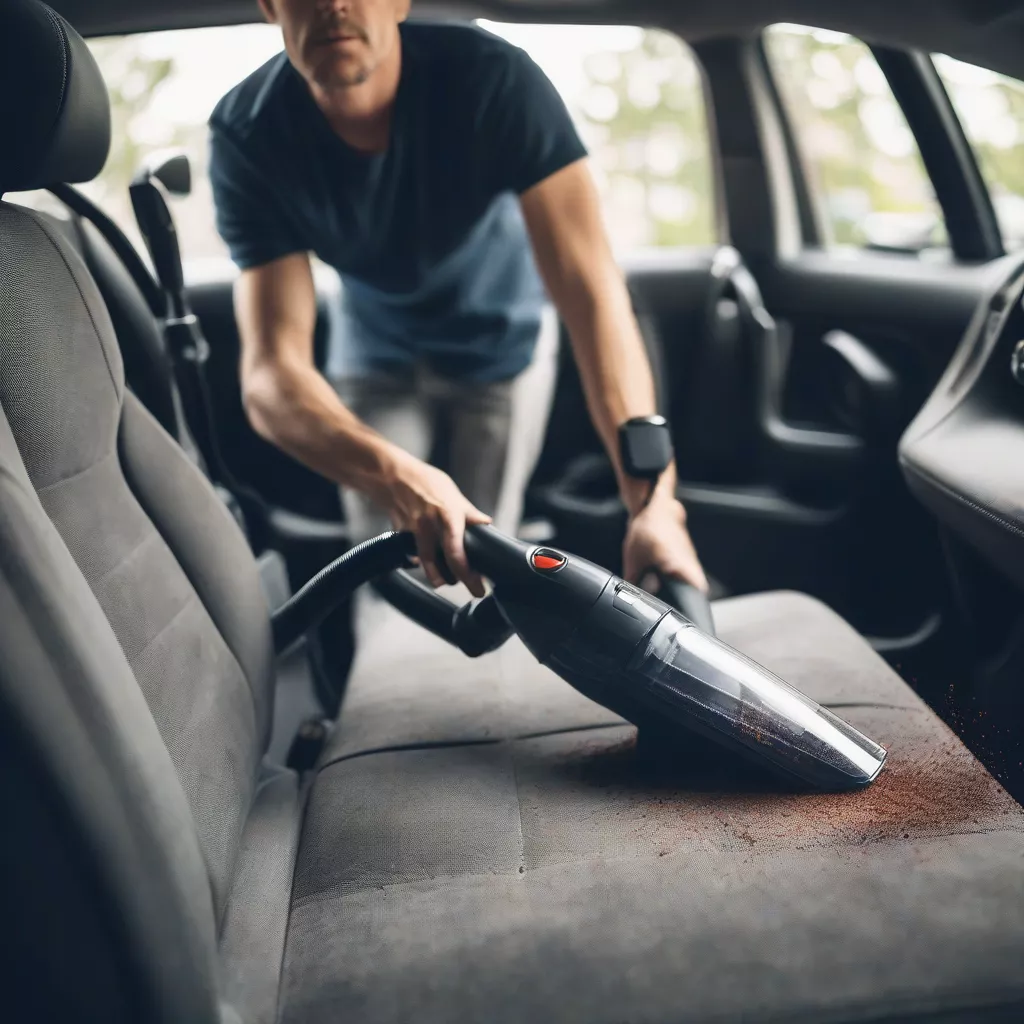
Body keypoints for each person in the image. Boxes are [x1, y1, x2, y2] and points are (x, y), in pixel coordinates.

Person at [208, 0, 708, 599]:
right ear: (269, 5)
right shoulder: (248, 133)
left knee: (483, 560)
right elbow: (271, 376)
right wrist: (396, 477)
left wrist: (653, 503)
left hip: (502, 345)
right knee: (390, 570)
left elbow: (592, 295)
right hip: (373, 351)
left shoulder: (496, 81)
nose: (333, 3)